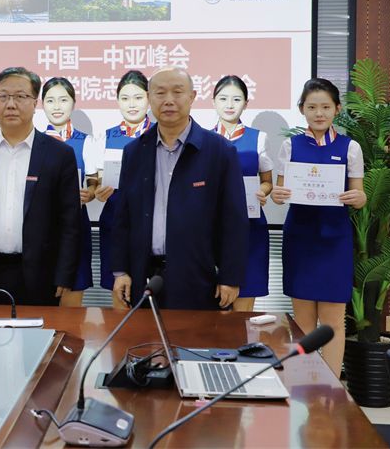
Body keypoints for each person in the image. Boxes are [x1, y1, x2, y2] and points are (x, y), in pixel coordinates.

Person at [111, 68, 249, 310]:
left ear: (192, 97)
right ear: (149, 98)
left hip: (198, 276)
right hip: (144, 275)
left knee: (194, 335)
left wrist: (230, 277)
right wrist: (121, 271)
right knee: (144, 335)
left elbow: (234, 220)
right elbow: (123, 217)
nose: (169, 100)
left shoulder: (219, 151)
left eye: (177, 92)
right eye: (160, 93)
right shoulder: (134, 152)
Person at [0, 66, 81, 306]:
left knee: (39, 331)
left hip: (41, 273)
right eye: (2, 96)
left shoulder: (59, 155)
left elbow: (70, 222)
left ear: (35, 102)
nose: (10, 104)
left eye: (20, 96)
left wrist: (64, 273)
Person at [271, 78, 366, 378]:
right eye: (312, 107)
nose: (319, 113)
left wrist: (358, 198)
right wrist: (277, 194)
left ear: (337, 108)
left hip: (334, 239)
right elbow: (280, 191)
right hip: (300, 238)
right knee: (303, 322)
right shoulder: (290, 145)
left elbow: (360, 194)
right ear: (302, 109)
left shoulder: (350, 147)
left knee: (333, 320)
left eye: (325, 107)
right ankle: (303, 384)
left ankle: (333, 386)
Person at [211, 75, 273, 311]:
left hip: (250, 229)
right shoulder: (203, 139)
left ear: (246, 104)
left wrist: (262, 192)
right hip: (212, 231)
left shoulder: (258, 138)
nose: (229, 105)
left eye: (236, 99)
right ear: (214, 102)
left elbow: (267, 181)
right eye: (223, 99)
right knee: (212, 313)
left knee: (243, 313)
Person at [41, 77, 100, 306]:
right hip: (40, 227)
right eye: (50, 100)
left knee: (72, 304)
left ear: (73, 103)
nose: (57, 107)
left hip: (74, 225)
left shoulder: (86, 141)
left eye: (63, 100)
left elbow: (94, 181)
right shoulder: (33, 141)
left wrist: (90, 193)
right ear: (42, 104)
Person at [94, 70, 152, 291]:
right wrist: (99, 191)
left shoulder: (160, 135)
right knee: (118, 290)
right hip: (115, 222)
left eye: (138, 97)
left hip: (150, 224)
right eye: (125, 98)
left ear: (149, 98)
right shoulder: (105, 137)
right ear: (117, 101)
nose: (132, 104)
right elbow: (97, 181)